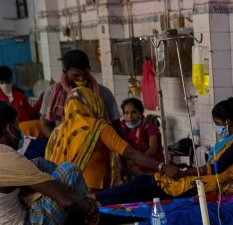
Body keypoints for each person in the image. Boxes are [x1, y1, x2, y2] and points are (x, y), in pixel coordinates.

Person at [96, 95, 233, 205]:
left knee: (145, 185)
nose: (216, 127)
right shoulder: (230, 140)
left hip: (210, 186)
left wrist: (184, 171)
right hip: (203, 182)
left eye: (217, 122)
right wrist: (181, 170)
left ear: (227, 122)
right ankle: (97, 200)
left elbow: (216, 168)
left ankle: (97, 200)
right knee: (144, 186)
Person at [45, 88, 179, 192]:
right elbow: (130, 153)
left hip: (63, 192)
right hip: (93, 192)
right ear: (93, 103)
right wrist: (163, 166)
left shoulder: (58, 131)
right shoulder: (98, 127)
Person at [42, 49, 120, 129]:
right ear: (65, 72)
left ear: (89, 69)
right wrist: (61, 140)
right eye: (75, 76)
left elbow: (117, 126)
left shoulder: (103, 92)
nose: (81, 79)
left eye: (85, 74)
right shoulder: (53, 92)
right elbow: (46, 125)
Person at [117, 97, 164, 178]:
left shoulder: (148, 126)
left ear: (140, 113)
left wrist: (138, 159)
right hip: (129, 160)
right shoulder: (120, 127)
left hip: (148, 159)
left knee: (130, 167)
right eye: (126, 113)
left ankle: (146, 179)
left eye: (134, 112)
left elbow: (153, 148)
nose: (130, 116)